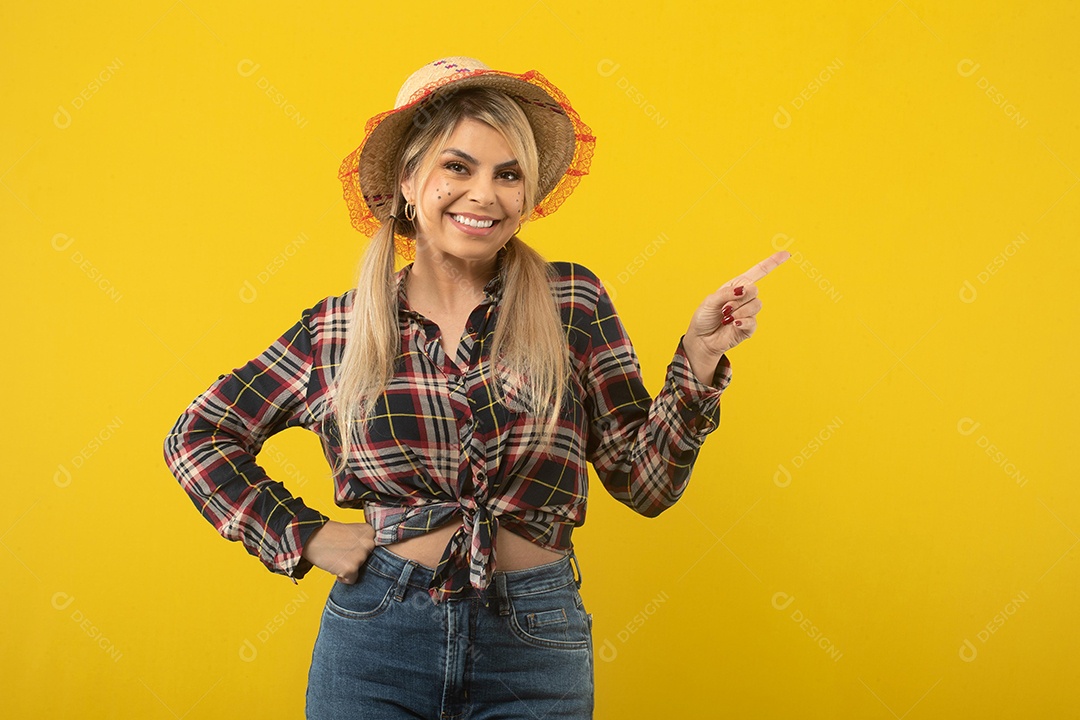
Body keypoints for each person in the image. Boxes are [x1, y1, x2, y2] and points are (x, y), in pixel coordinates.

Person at [162, 56, 788, 719]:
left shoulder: (570, 303)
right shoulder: (338, 329)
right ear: (408, 180)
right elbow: (197, 436)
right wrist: (303, 534)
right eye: (457, 167)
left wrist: (697, 360)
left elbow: (646, 483)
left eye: (508, 174)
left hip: (535, 639)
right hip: (377, 640)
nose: (484, 195)